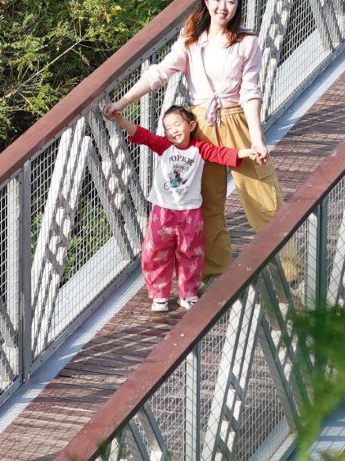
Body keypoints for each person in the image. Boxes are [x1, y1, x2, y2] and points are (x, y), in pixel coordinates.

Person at [104, 0, 284, 280]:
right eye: (217, 0)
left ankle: (288, 269)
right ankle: (214, 272)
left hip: (235, 118)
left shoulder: (246, 42)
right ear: (206, 2)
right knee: (207, 203)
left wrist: (256, 139)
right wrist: (123, 102)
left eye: (230, 1)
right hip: (200, 124)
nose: (222, 7)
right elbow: (160, 73)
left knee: (263, 195)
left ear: (238, 6)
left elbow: (251, 92)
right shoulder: (190, 40)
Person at [105, 103, 265, 311]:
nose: (173, 131)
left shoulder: (200, 149)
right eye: (168, 128)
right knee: (155, 252)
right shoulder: (164, 146)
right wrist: (120, 120)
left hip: (190, 213)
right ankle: (159, 295)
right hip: (162, 211)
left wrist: (247, 152)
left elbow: (222, 154)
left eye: (176, 125)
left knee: (191, 253)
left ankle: (188, 293)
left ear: (191, 125)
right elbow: (142, 135)